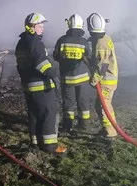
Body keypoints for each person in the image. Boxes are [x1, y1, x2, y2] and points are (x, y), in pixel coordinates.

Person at [15, 13, 67, 154]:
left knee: (34, 115)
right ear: (31, 27)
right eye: (39, 26)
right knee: (48, 113)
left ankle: (36, 143)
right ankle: (50, 146)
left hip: (28, 86)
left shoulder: (21, 43)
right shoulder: (35, 42)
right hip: (41, 86)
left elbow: (20, 66)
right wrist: (53, 74)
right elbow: (40, 63)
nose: (42, 29)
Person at [53, 13, 93, 132]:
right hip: (82, 79)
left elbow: (55, 56)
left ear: (69, 24)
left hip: (67, 79)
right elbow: (89, 57)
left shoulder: (62, 40)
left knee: (68, 103)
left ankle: (67, 126)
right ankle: (84, 125)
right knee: (83, 102)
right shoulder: (83, 41)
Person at [87, 12, 119, 138]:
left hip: (106, 80)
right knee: (99, 105)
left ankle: (110, 133)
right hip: (108, 78)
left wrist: (95, 79)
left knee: (103, 107)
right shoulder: (105, 38)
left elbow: (103, 65)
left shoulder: (101, 43)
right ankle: (107, 129)